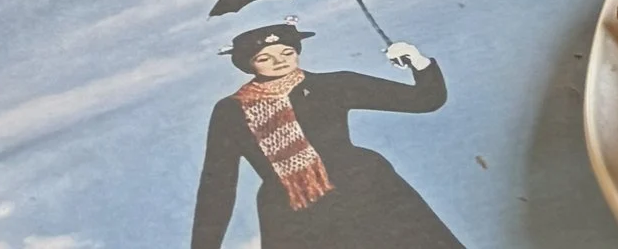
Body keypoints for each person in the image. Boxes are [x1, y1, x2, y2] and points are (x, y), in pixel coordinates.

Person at [189, 20, 459, 248]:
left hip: (368, 193)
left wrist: (418, 63)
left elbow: (424, 100)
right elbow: (218, 184)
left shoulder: (331, 85)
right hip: (294, 215)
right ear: (249, 65)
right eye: (264, 58)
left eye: (286, 52)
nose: (279, 62)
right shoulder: (230, 111)